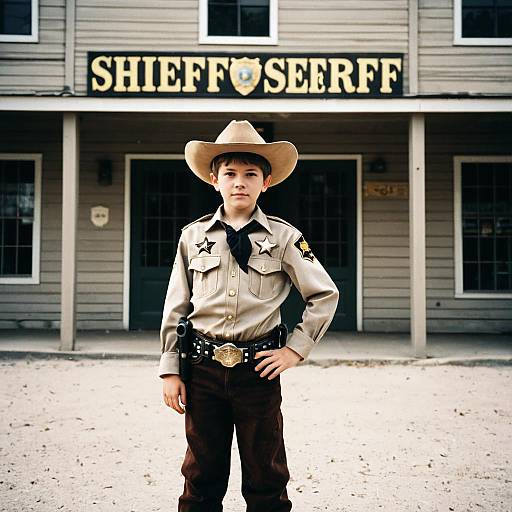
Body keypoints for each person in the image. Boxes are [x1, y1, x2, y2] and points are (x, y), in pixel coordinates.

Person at [159, 119, 339, 511]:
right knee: (201, 471)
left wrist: (294, 351)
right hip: (202, 368)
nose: (239, 182)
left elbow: (324, 294)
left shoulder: (285, 238)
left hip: (258, 369)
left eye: (250, 174)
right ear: (214, 179)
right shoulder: (193, 237)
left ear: (266, 182)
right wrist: (171, 368)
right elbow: (177, 305)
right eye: (230, 173)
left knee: (266, 472)